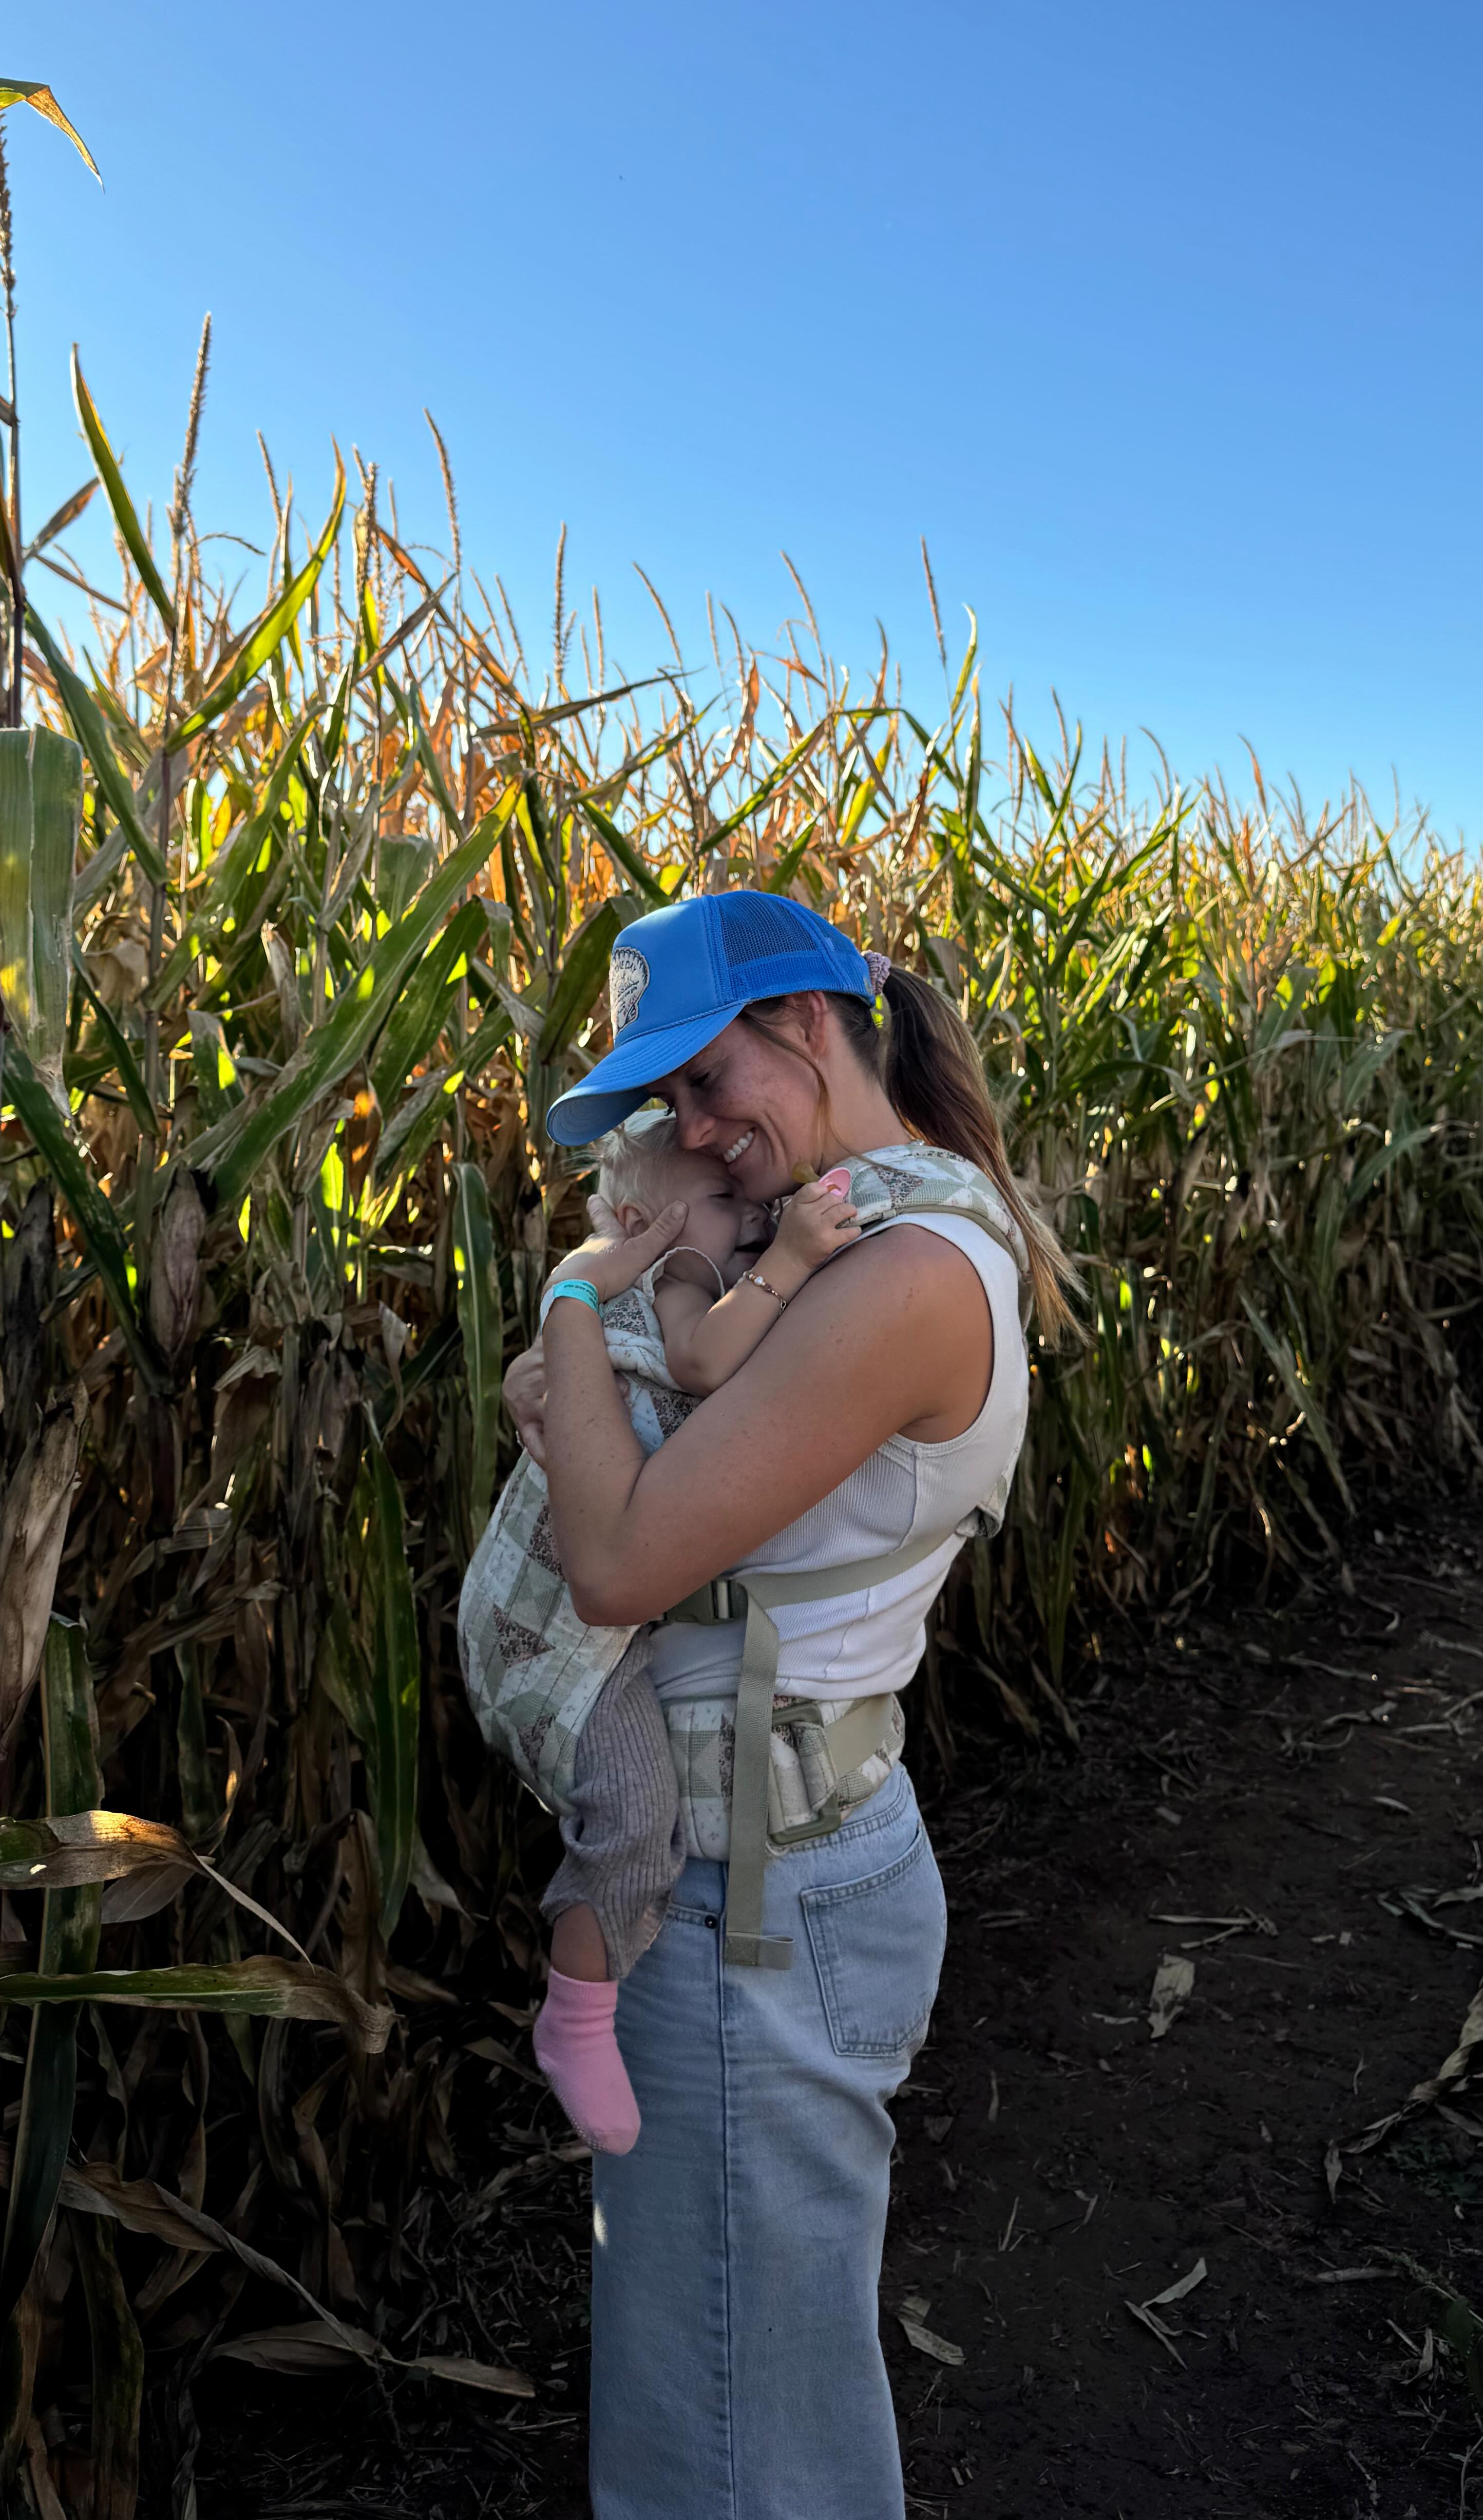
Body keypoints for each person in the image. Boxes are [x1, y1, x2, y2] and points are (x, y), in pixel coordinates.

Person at [502, 886, 1074, 2520]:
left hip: (758, 1897)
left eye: (705, 1079)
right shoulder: (843, 1235)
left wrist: (570, 1299)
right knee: (747, 2399)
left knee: (735, 2452)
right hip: (765, 1863)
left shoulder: (900, 1273)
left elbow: (616, 1557)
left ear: (811, 1025)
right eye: (665, 1102)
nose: (690, 1127)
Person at [462, 1111, 861, 2156]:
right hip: (554, 1638)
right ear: (643, 1220)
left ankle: (590, 1992)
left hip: (563, 1629)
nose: (755, 1212)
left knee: (649, 1821)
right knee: (639, 1820)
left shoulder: (632, 1283)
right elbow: (699, 1364)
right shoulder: (680, 1279)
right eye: (727, 1200)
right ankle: (575, 2017)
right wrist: (796, 1254)